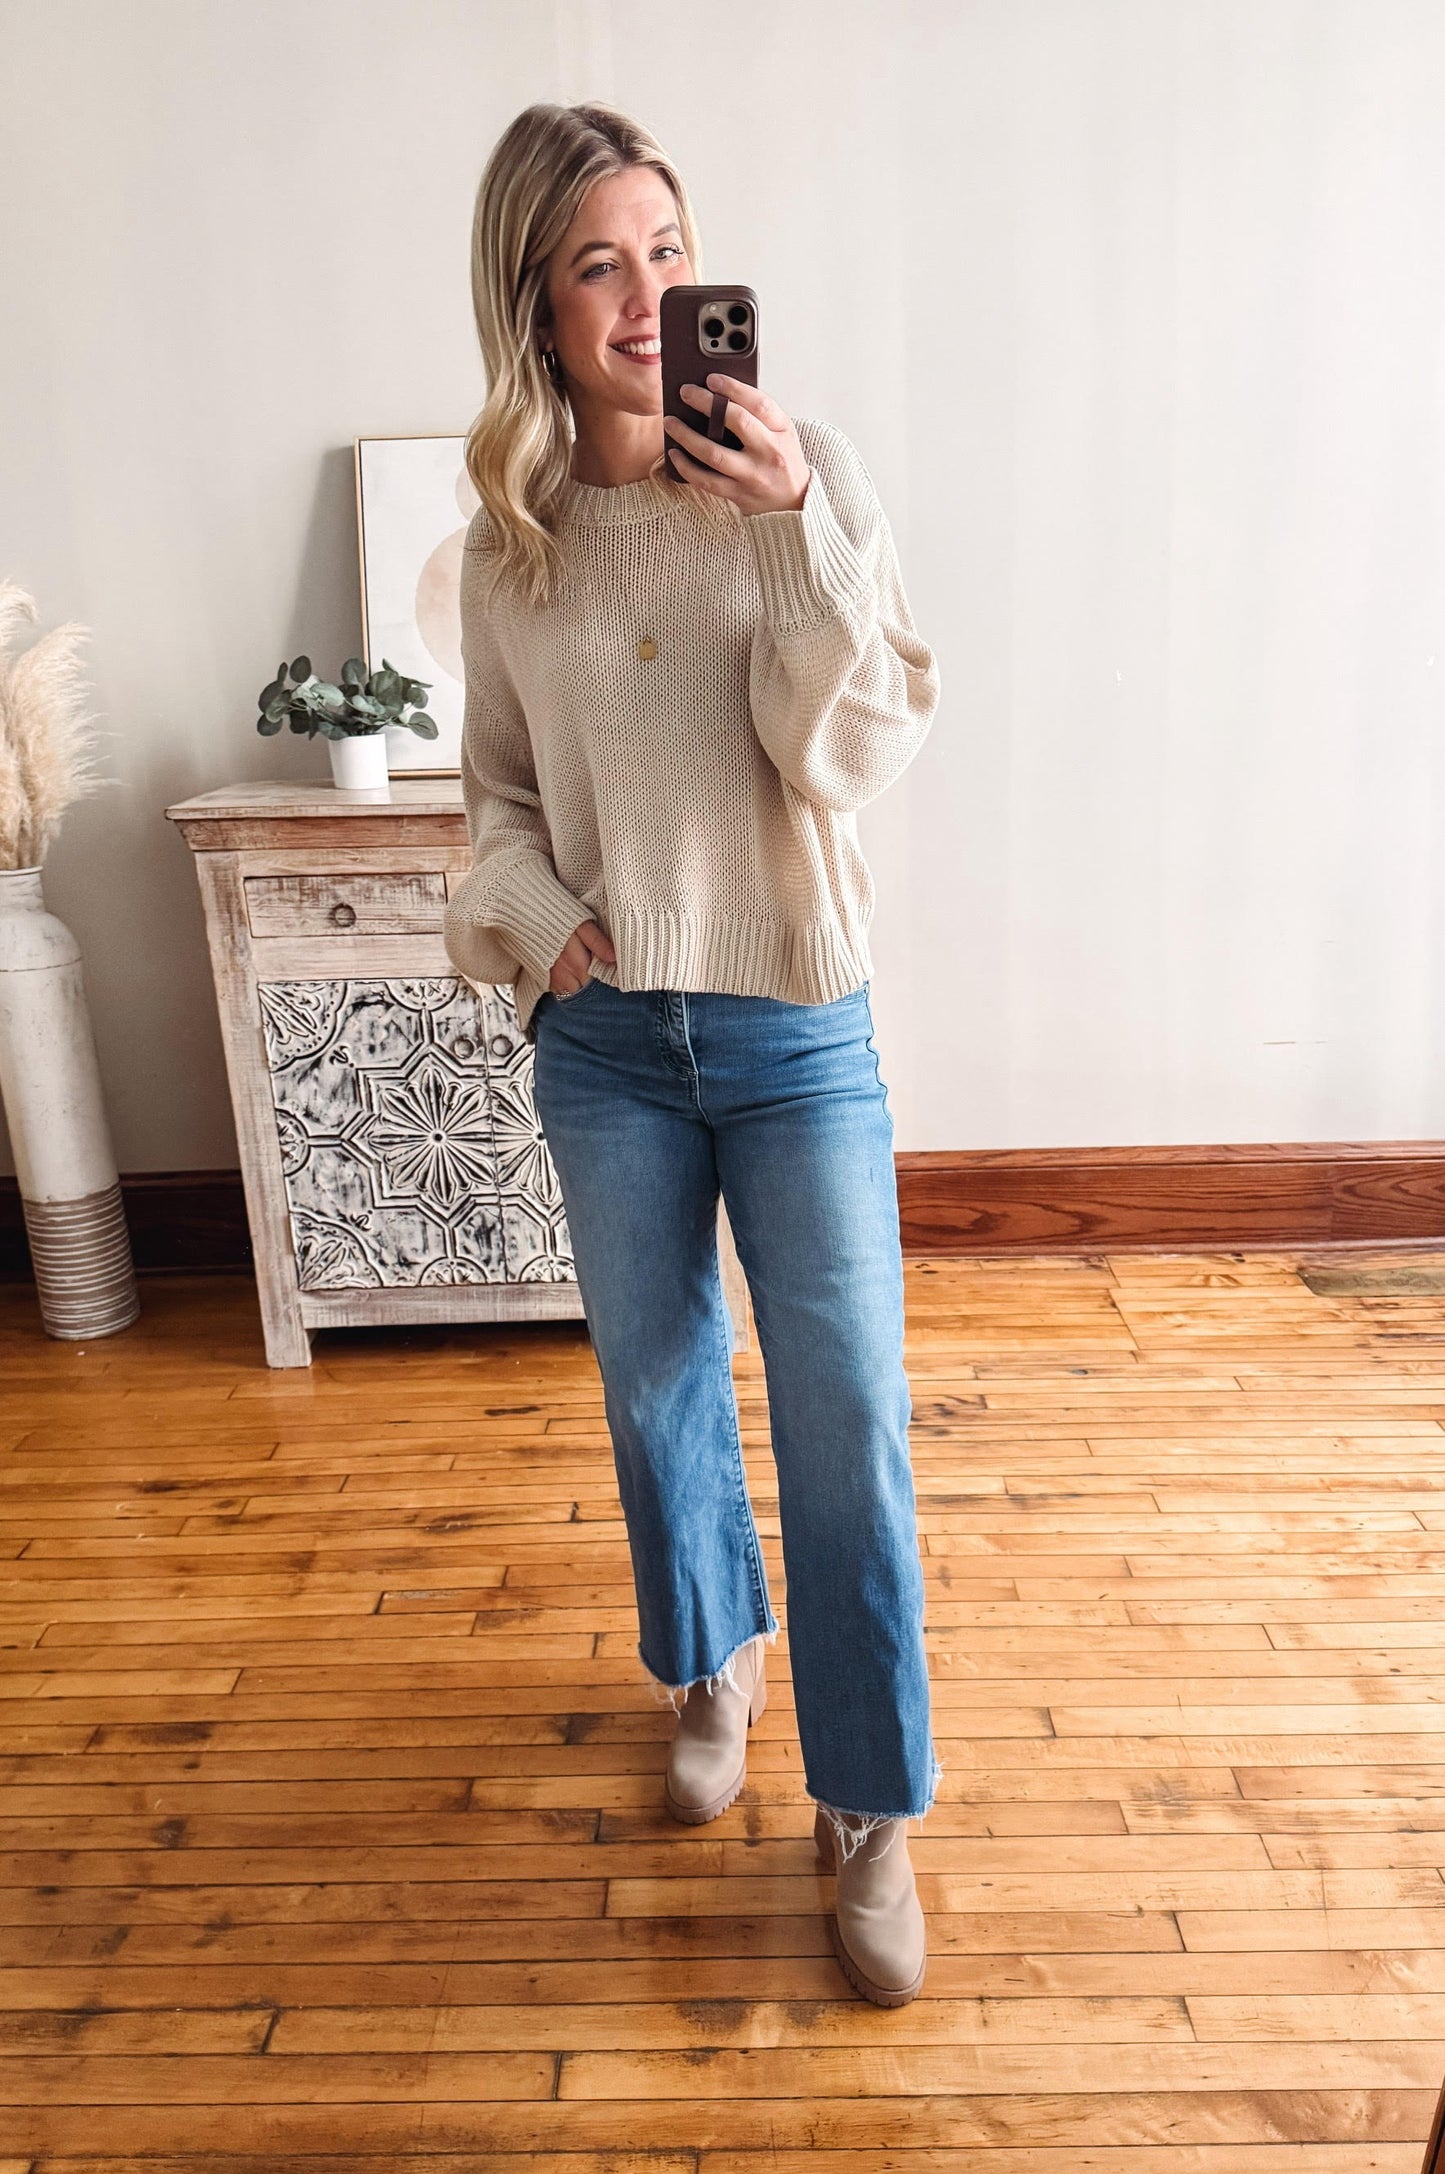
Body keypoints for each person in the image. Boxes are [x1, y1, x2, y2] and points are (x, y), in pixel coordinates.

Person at [442, 100, 943, 2007]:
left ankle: (871, 1805)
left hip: (797, 1022)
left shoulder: (806, 480)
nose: (648, 295)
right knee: (656, 1392)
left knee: (849, 1425)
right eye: (598, 262)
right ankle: (707, 1659)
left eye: (666, 249)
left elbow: (865, 739)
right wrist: (538, 915)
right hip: (610, 1042)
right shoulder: (507, 543)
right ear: (538, 306)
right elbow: (487, 797)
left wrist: (795, 532)